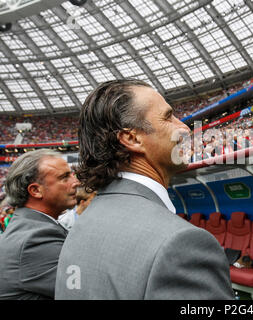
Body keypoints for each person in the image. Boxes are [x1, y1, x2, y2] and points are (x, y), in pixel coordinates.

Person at [55, 79, 234, 300]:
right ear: (132, 138)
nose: (184, 128)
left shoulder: (79, 228)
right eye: (168, 117)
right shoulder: (181, 243)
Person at [0, 149, 80, 299]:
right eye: (64, 177)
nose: (76, 182)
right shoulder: (34, 240)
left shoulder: (30, 226)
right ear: (36, 190)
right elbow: (84, 288)